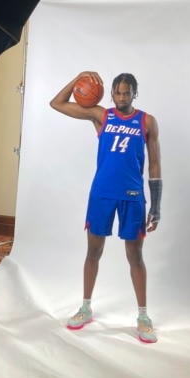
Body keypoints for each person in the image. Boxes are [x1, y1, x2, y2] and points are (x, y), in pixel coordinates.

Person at [50, 71, 162, 343]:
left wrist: (156, 205)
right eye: (118, 92)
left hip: (133, 195)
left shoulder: (147, 121)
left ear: (135, 93)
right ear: (111, 93)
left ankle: (143, 316)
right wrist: (78, 79)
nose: (122, 97)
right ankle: (86, 307)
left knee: (135, 256)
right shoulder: (101, 115)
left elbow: (156, 164)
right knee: (93, 251)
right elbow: (57, 103)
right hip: (101, 194)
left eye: (127, 92)